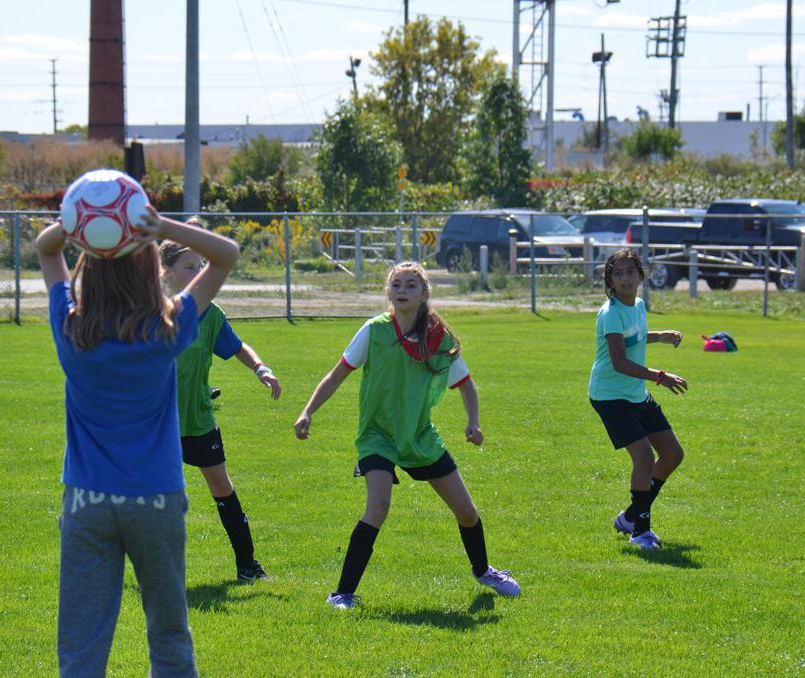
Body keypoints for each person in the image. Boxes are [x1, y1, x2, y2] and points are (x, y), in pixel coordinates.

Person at [36, 206, 239, 677]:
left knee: (81, 643)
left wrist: (80, 220)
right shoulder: (167, 328)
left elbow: (46, 249)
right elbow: (226, 254)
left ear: (88, 272)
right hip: (155, 500)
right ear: (152, 271)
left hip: (87, 501)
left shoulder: (71, 328)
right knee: (169, 634)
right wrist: (160, 227)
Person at [293, 261, 521, 609]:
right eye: (396, 284)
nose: (402, 290)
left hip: (419, 436)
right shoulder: (374, 331)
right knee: (378, 506)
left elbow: (466, 385)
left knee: (466, 512)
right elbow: (337, 374)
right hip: (378, 437)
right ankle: (342, 594)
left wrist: (473, 422)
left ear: (425, 293)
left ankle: (484, 571)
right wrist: (308, 411)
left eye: (411, 285)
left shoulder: (437, 337)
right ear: (388, 292)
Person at [160, 235, 281, 582]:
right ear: (166, 271)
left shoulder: (210, 315)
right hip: (156, 424)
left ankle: (248, 566)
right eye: (189, 267)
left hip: (197, 419)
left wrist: (261, 368)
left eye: (201, 266)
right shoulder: (150, 313)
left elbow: (238, 346)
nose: (199, 273)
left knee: (222, 488)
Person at [588, 249, 687, 550]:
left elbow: (637, 336)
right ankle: (640, 532)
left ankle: (630, 516)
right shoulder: (611, 313)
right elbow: (619, 362)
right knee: (643, 456)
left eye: (631, 271)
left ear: (640, 275)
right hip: (610, 396)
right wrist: (660, 376)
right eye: (618, 274)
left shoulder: (639, 305)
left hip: (635, 395)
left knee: (672, 454)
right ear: (610, 281)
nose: (625, 278)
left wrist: (661, 336)